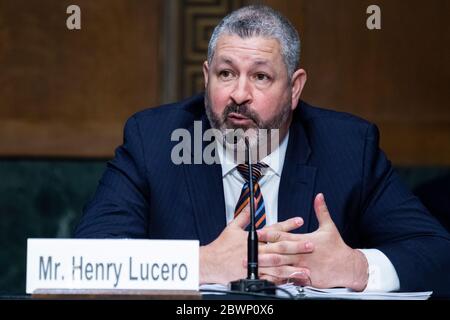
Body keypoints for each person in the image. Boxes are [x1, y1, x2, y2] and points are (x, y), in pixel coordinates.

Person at [74, 5, 450, 295]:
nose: (239, 94)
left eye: (260, 76)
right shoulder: (154, 139)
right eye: (226, 74)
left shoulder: (349, 147)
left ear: (295, 88)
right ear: (206, 78)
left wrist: (355, 268)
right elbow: (84, 261)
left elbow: (438, 254)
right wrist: (198, 264)